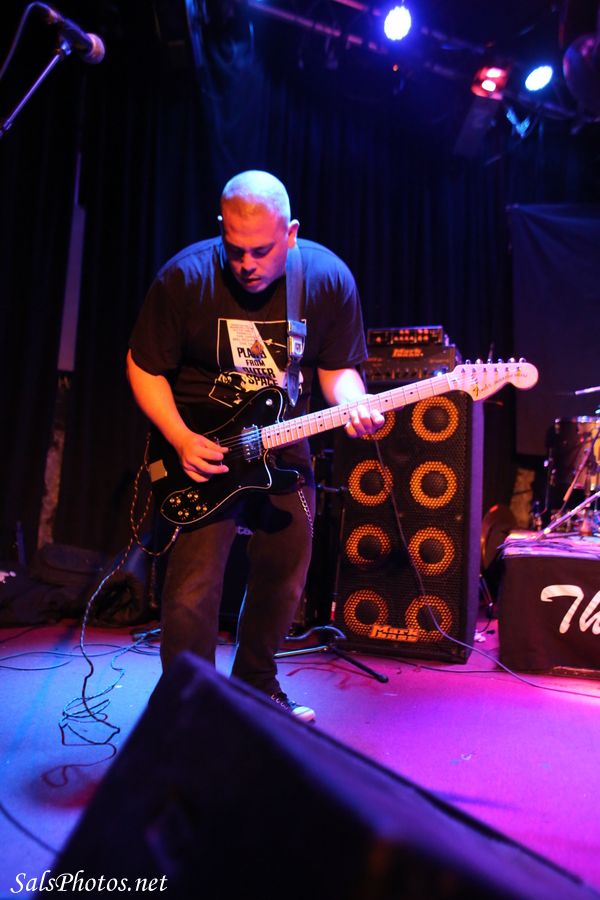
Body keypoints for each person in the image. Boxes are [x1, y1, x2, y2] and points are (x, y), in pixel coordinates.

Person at [126, 170, 384, 722]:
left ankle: (256, 687)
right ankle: (188, 705)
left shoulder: (327, 279)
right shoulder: (185, 277)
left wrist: (353, 402)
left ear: (290, 234)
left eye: (261, 251)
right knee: (194, 586)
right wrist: (180, 437)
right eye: (235, 248)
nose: (246, 264)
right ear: (221, 228)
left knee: (286, 570)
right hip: (202, 450)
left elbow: (338, 369)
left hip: (283, 445)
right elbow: (143, 366)